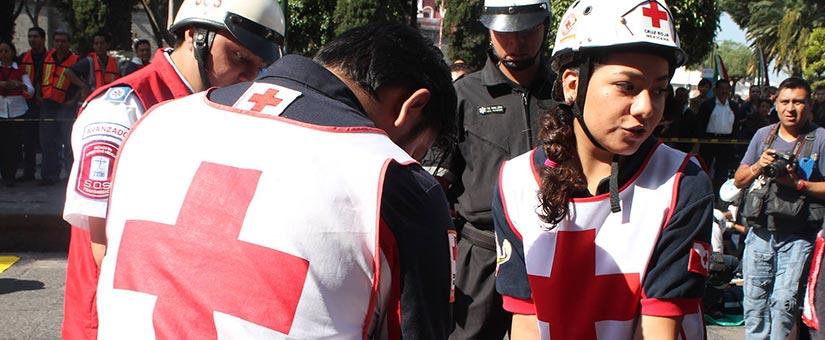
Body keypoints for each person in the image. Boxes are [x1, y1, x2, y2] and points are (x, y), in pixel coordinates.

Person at [94, 22, 456, 339]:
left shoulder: (156, 124)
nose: (415, 161)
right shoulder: (393, 180)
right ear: (412, 107)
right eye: (420, 151)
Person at [60, 0, 286, 339]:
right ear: (196, 36)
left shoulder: (223, 109)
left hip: (181, 311)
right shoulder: (122, 109)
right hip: (119, 317)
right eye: (240, 58)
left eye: (259, 66)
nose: (249, 77)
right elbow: (103, 247)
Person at [493, 0, 713, 338]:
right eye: (627, 85)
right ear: (571, 84)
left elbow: (659, 327)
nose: (646, 108)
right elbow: (525, 321)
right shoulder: (515, 183)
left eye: (659, 89)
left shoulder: (684, 181)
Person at [429, 0, 555, 338]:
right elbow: (434, 185)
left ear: (545, 26)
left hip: (553, 253)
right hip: (480, 257)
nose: (516, 42)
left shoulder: (566, 95)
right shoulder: (463, 96)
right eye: (505, 33)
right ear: (489, 30)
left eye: (527, 30)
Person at [735, 77, 825, 340]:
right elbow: (739, 180)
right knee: (754, 304)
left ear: (809, 105)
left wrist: (799, 184)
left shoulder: (819, 138)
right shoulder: (764, 136)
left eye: (798, 102)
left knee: (784, 304)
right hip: (760, 234)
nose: (791, 108)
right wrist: (758, 166)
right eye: (785, 101)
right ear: (775, 104)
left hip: (798, 236)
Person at [39, 29, 79, 186]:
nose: (59, 44)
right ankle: (49, 175)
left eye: (63, 41)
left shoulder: (76, 60)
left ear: (69, 43)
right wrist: (38, 95)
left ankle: (71, 175)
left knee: (69, 142)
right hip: (48, 104)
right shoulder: (46, 58)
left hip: (66, 106)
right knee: (47, 142)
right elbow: (38, 78)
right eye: (57, 41)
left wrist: (73, 100)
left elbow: (81, 83)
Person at [697, 79, 742, 193]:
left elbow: (736, 125)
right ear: (716, 90)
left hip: (726, 142)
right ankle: (702, 191)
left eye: (726, 89)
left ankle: (719, 194)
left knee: (722, 170)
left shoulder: (734, 106)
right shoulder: (707, 105)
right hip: (709, 140)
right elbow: (700, 123)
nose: (724, 91)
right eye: (721, 89)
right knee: (705, 167)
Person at [0, 41, 34, 187]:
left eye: (6, 51)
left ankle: (11, 175)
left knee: (14, 145)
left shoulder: (20, 70)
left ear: (12, 52)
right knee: (2, 145)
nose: (4, 54)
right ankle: (4, 174)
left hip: (18, 110)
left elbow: (30, 90)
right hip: (1, 109)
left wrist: (20, 85)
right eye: (1, 51)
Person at [17, 27, 48, 182]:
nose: (32, 39)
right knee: (28, 140)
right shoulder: (22, 58)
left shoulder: (50, 57)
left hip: (47, 102)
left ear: (43, 39)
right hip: (27, 103)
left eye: (35, 36)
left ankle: (47, 173)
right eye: (30, 36)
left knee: (46, 140)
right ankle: (28, 172)